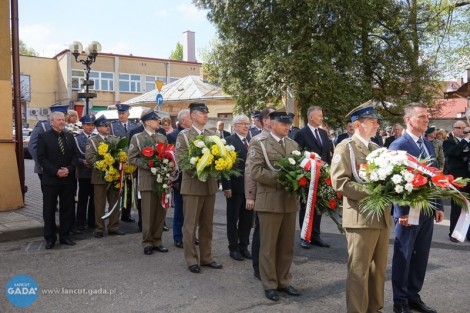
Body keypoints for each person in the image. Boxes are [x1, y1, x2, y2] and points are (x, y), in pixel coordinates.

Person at [330, 102, 392, 313]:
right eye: (372, 121)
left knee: (378, 269)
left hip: (381, 216)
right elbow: (339, 182)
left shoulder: (376, 149)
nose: (376, 125)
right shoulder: (345, 147)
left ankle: (374, 308)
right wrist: (372, 193)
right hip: (360, 217)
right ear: (357, 125)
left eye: (376, 121)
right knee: (359, 271)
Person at [389, 103, 444, 313]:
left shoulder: (428, 145)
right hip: (408, 212)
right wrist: (401, 211)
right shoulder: (398, 145)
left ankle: (414, 297)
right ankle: (400, 302)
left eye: (427, 117)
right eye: (421, 116)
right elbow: (394, 183)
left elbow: (434, 177)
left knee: (421, 255)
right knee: (404, 255)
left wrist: (438, 205)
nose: (426, 120)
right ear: (408, 119)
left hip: (427, 211)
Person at [248, 108, 300, 301]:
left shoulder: (293, 144)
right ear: (271, 123)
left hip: (289, 201)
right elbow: (255, 171)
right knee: (268, 246)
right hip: (269, 200)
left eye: (289, 124)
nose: (287, 127)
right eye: (283, 124)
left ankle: (284, 280)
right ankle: (269, 283)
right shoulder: (259, 143)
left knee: (287, 245)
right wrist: (283, 178)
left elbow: (300, 168)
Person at [175, 102, 223, 274]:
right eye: (202, 113)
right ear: (193, 115)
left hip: (209, 185)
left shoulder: (212, 134)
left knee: (207, 224)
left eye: (206, 112)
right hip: (193, 185)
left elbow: (219, 154)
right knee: (190, 225)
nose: (205, 115)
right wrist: (200, 168)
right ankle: (191, 259)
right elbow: (180, 161)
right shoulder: (184, 136)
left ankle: (206, 257)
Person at [128, 109, 169, 255]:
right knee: (148, 212)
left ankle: (158, 240)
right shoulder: (137, 138)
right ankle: (147, 242)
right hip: (146, 179)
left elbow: (168, 155)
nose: (159, 122)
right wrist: (149, 164)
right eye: (156, 120)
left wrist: (166, 165)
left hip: (162, 180)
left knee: (160, 211)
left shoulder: (162, 137)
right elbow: (131, 158)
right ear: (147, 122)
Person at [293, 106, 332, 249]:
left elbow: (326, 153)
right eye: (319, 116)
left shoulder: (322, 133)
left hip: (322, 176)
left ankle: (316, 235)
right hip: (308, 176)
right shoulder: (301, 134)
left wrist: (328, 169)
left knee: (319, 206)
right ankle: (305, 236)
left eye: (322, 115)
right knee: (307, 206)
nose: (322, 118)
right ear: (310, 117)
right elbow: (297, 155)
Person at [37, 111, 77, 249]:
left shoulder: (70, 136)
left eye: (62, 119)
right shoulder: (43, 137)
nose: (61, 122)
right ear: (51, 122)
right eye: (58, 120)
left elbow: (75, 157)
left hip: (67, 179)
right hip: (51, 180)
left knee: (67, 208)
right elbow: (41, 158)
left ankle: (65, 236)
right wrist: (56, 171)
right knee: (49, 209)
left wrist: (69, 169)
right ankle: (50, 238)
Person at [244, 106, 275, 279]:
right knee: (260, 231)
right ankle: (258, 267)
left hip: (278, 196)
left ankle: (270, 265)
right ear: (265, 121)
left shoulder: (281, 139)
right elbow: (250, 170)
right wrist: (250, 195)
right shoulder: (258, 140)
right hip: (262, 194)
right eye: (273, 117)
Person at [85, 116, 125, 238]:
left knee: (114, 203)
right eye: (104, 125)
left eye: (108, 125)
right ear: (98, 128)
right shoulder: (92, 141)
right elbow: (90, 157)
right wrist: (105, 165)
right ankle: (99, 228)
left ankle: (113, 227)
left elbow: (121, 154)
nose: (108, 127)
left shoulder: (115, 139)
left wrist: (117, 161)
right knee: (99, 203)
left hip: (114, 177)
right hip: (99, 177)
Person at [221, 114, 254, 261]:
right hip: (234, 187)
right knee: (233, 218)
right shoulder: (228, 141)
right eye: (242, 124)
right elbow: (224, 166)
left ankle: (244, 246)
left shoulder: (252, 141)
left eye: (247, 124)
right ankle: (233, 248)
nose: (246, 126)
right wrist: (226, 186)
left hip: (249, 189)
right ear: (235, 126)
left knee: (247, 219)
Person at [167, 109, 192, 248]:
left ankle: (191, 235)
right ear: (182, 121)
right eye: (190, 117)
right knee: (180, 210)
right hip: (180, 179)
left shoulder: (194, 135)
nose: (193, 119)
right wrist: (174, 179)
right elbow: (170, 161)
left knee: (192, 211)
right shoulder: (172, 136)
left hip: (193, 179)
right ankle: (178, 236)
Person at [110, 104, 138, 223]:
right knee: (118, 189)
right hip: (118, 162)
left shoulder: (135, 126)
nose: (121, 115)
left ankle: (126, 214)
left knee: (129, 188)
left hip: (130, 162)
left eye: (123, 113)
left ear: (128, 114)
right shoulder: (113, 126)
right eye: (119, 113)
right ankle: (115, 215)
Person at [442, 121, 470, 243]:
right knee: (457, 206)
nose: (463, 130)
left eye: (465, 128)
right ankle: (454, 233)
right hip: (457, 178)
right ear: (453, 129)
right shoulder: (448, 142)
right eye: (460, 128)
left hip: (468, 176)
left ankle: (468, 233)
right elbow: (455, 152)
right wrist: (466, 139)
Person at [74, 114, 96, 231]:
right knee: (83, 199)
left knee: (94, 198)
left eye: (92, 125)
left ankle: (92, 221)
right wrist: (82, 161)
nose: (90, 127)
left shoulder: (96, 138)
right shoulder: (77, 138)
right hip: (83, 173)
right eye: (88, 125)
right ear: (82, 125)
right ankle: (80, 222)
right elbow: (74, 156)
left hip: (95, 172)